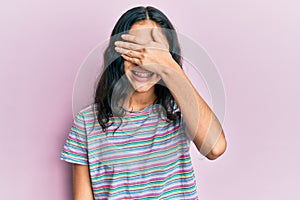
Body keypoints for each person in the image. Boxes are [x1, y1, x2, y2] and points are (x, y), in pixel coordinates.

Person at [60, 6, 227, 200]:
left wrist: (169, 67)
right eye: (135, 49)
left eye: (154, 52)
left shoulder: (180, 110)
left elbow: (215, 148)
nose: (144, 61)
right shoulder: (87, 122)